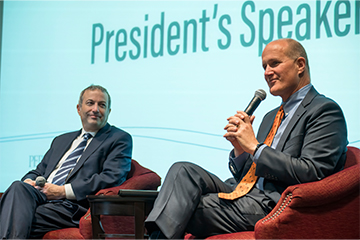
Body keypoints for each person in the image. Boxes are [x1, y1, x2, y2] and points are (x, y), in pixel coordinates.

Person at [144, 38, 348, 239]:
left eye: (274, 63)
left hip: (272, 203)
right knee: (182, 170)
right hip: (245, 192)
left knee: (179, 207)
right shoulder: (270, 117)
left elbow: (314, 172)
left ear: (300, 65)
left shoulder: (323, 110)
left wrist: (255, 148)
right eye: (264, 66)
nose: (267, 72)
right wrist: (241, 150)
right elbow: (248, 175)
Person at [0, 85, 133, 239]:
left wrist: (62, 191)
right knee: (18, 186)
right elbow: (39, 171)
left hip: (69, 206)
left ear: (108, 111)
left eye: (102, 105)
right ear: (79, 108)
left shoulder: (118, 138)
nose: (95, 109)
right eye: (90, 103)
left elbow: (111, 178)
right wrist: (29, 181)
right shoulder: (61, 140)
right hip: (39, 197)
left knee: (11, 217)